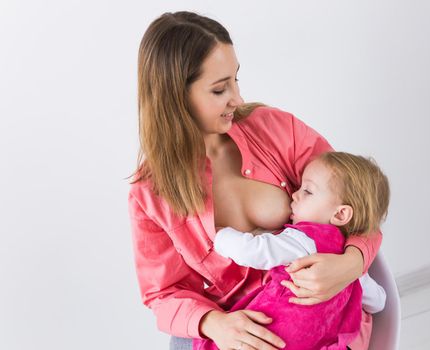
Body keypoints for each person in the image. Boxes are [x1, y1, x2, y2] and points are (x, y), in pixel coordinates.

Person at [129, 11, 383, 350]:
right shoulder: (148, 194)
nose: (237, 98)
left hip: (323, 320)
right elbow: (162, 293)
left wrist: (350, 264)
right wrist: (213, 322)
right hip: (242, 330)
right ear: (175, 98)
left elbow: (357, 202)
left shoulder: (275, 129)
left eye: (235, 80)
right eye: (219, 89)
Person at [194, 152, 389, 350]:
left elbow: (255, 251)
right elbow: (378, 301)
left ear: (340, 214)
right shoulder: (350, 267)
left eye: (308, 191)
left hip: (272, 336)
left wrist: (220, 236)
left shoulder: (304, 240)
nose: (295, 194)